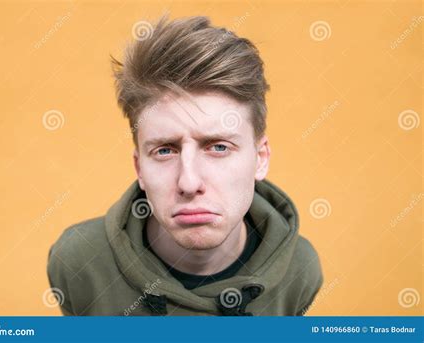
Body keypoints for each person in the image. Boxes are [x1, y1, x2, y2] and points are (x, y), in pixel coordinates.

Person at [47, 14, 323, 316]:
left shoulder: (300, 269)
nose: (189, 183)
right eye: (165, 151)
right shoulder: (79, 262)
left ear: (260, 159)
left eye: (218, 147)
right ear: (139, 168)